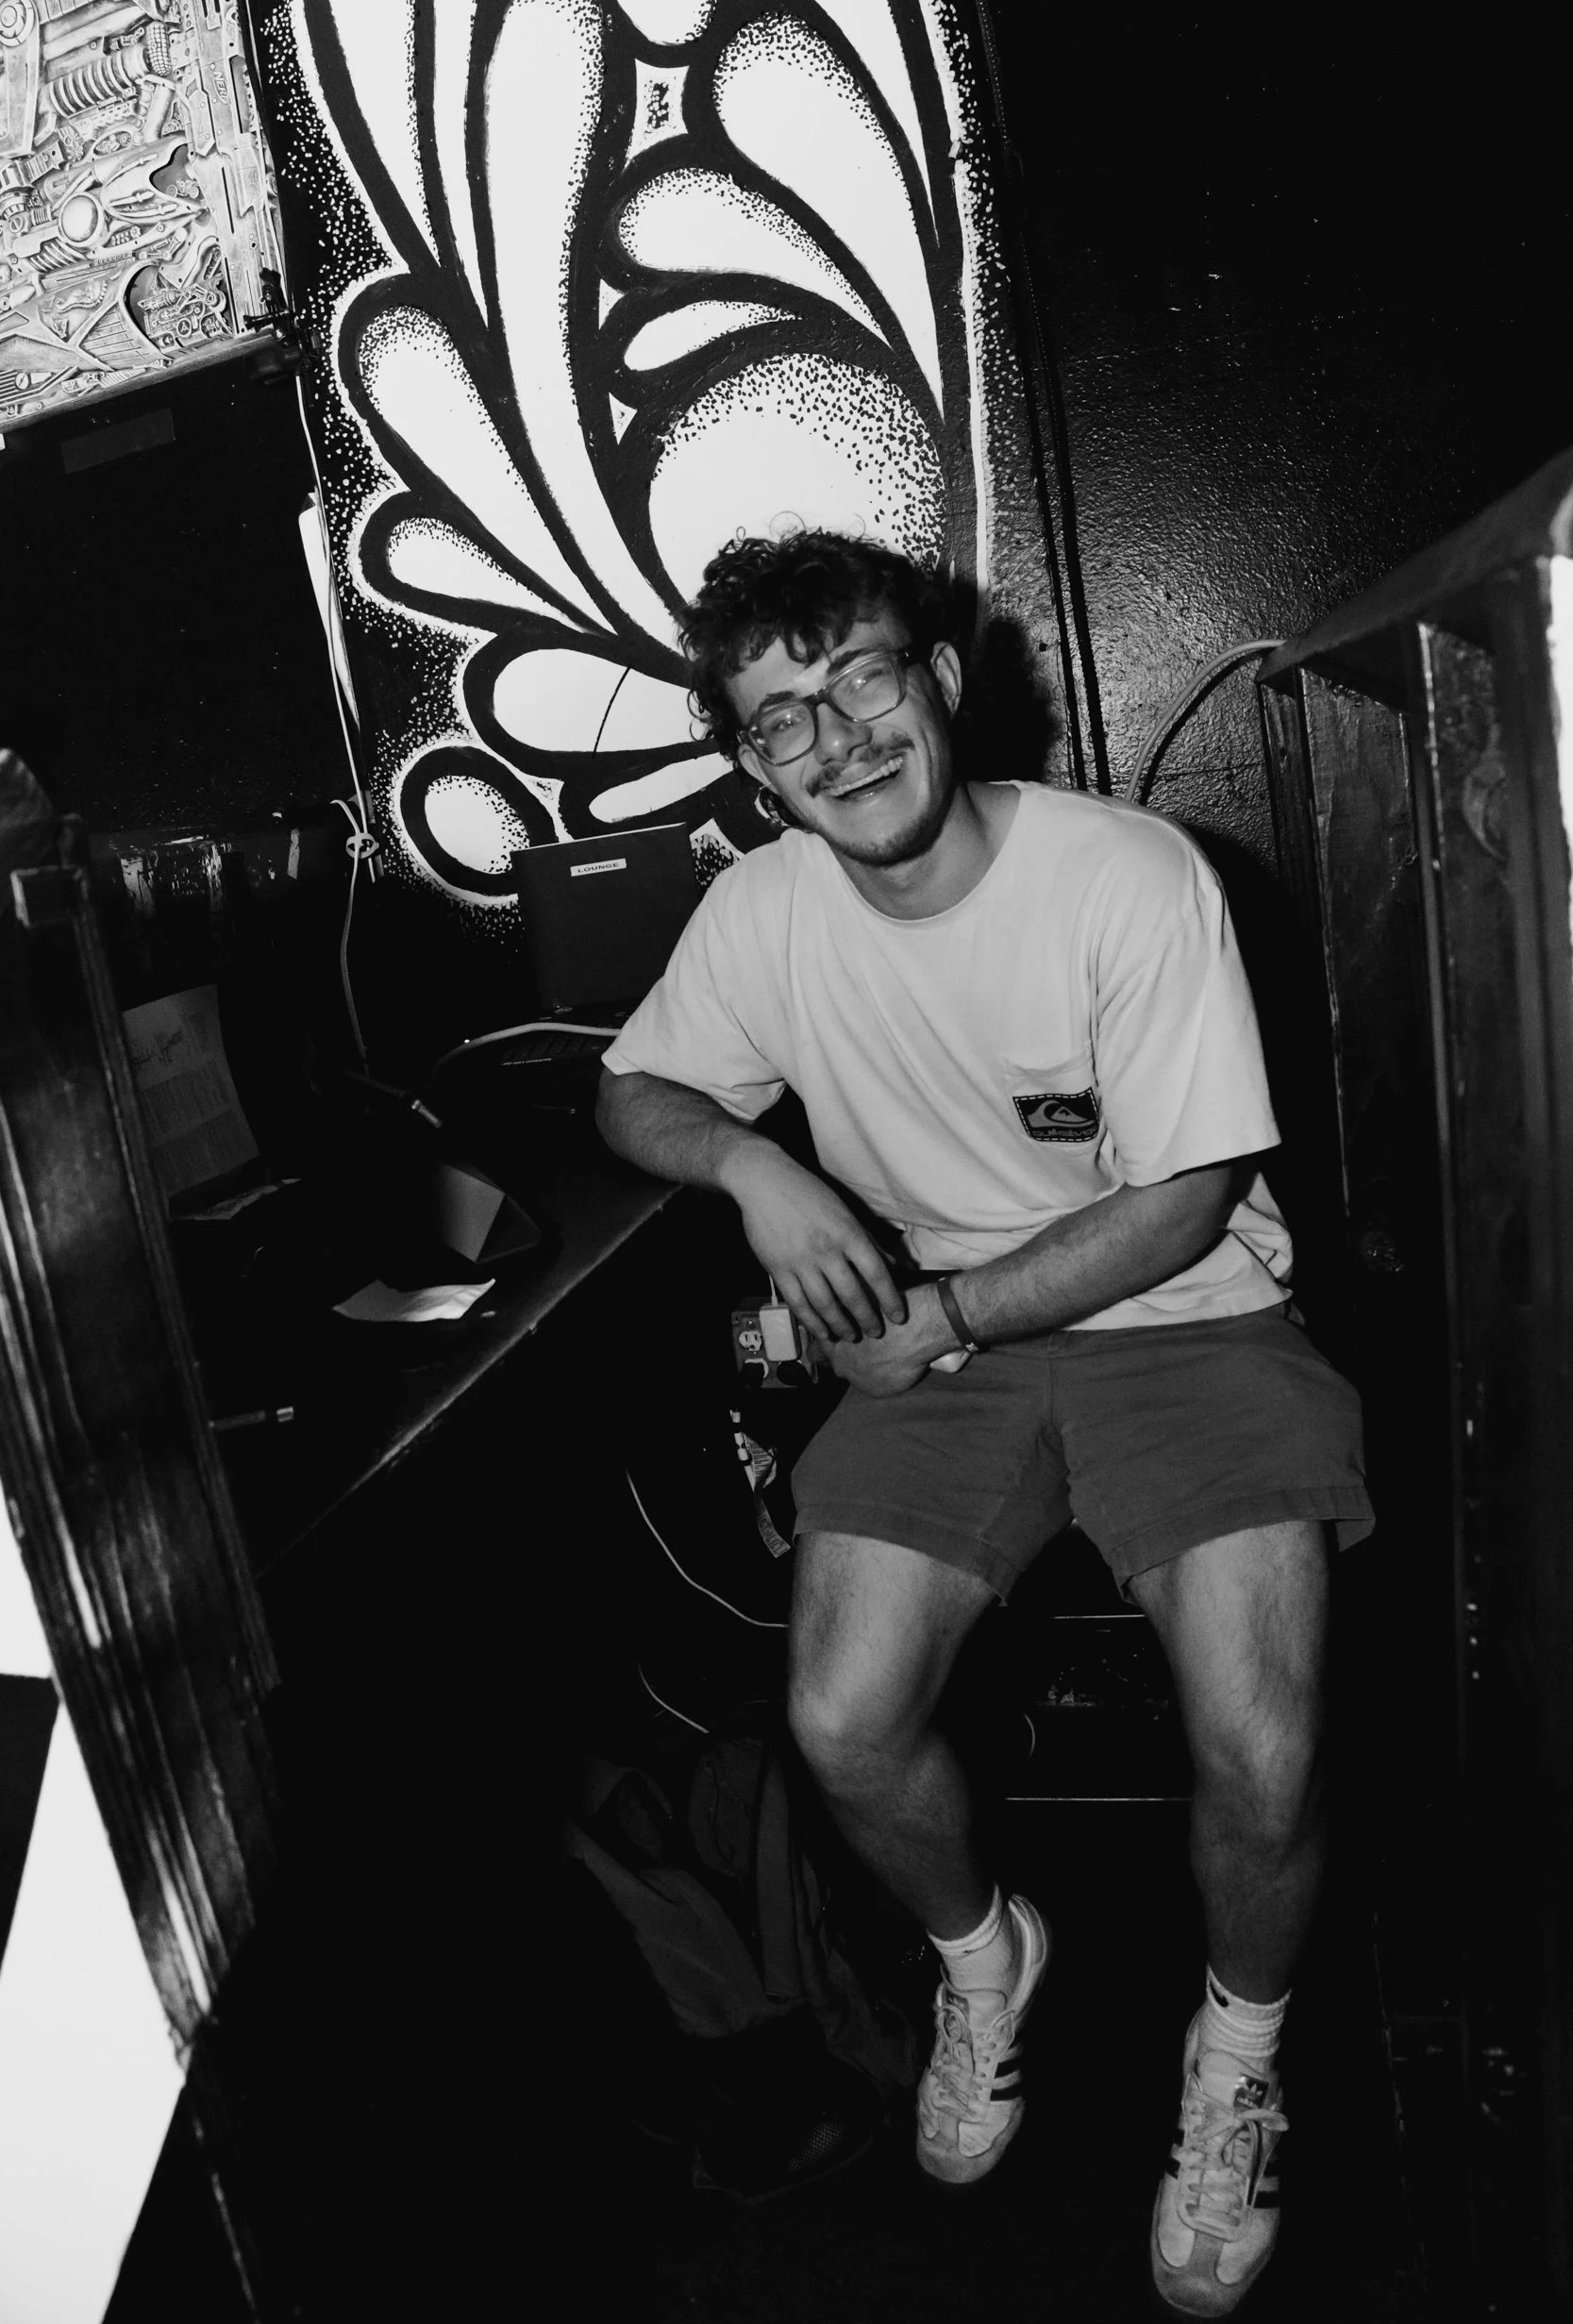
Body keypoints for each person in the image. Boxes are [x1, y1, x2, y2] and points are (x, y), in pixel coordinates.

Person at [596, 528, 1371, 2316]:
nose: (836, 740)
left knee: (1262, 1748)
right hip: (952, 1349)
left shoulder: (1123, 873)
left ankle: (1235, 2061)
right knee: (840, 1718)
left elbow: (1180, 1205)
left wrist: (933, 1310)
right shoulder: (763, 912)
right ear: (747, 764)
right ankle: (980, 1958)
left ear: (940, 677)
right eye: (778, 719)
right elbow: (628, 1086)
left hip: (1185, 1320)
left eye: (862, 676)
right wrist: (748, 1169)